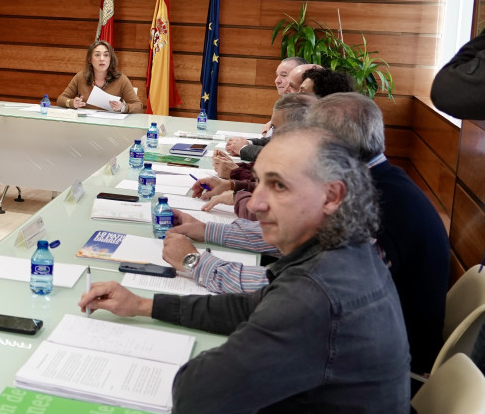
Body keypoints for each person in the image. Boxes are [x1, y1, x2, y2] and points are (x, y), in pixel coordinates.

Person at [81, 126, 411, 412]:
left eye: (279, 186)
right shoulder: (348, 248)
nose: (254, 203)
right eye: (259, 183)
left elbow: (197, 395)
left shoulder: (314, 296)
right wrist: (143, 305)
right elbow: (249, 305)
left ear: (332, 196)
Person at [172, 93, 449, 376]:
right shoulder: (373, 180)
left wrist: (196, 263)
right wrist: (207, 230)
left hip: (375, 368)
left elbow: (300, 293)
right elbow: (295, 244)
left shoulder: (376, 207)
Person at [224, 57, 310, 160]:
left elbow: (281, 156)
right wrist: (248, 143)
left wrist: (243, 148)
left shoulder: (308, 114)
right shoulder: (294, 106)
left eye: (284, 76)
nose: (276, 81)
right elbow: (278, 140)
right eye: (277, 75)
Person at [55, 39, 143, 113]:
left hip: (112, 127)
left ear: (110, 59)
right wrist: (72, 103)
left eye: (106, 55)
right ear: (90, 60)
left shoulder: (121, 79)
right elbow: (60, 99)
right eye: (97, 55)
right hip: (86, 126)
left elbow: (138, 106)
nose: (102, 59)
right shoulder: (80, 77)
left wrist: (123, 107)